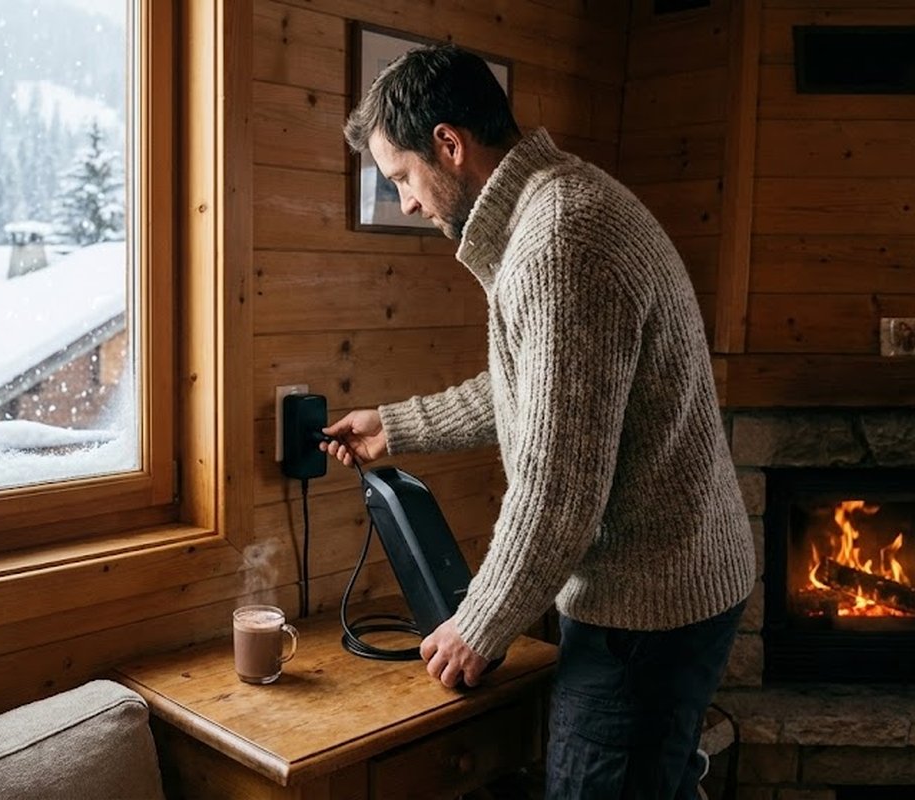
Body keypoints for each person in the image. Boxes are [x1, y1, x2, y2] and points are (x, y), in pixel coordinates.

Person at [323, 44, 755, 799]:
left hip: (647, 609)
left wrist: (479, 626)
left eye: (401, 178)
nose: (408, 203)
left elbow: (558, 492)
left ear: (450, 145)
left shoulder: (559, 241)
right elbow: (546, 391)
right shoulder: (555, 208)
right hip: (680, 580)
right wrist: (395, 427)